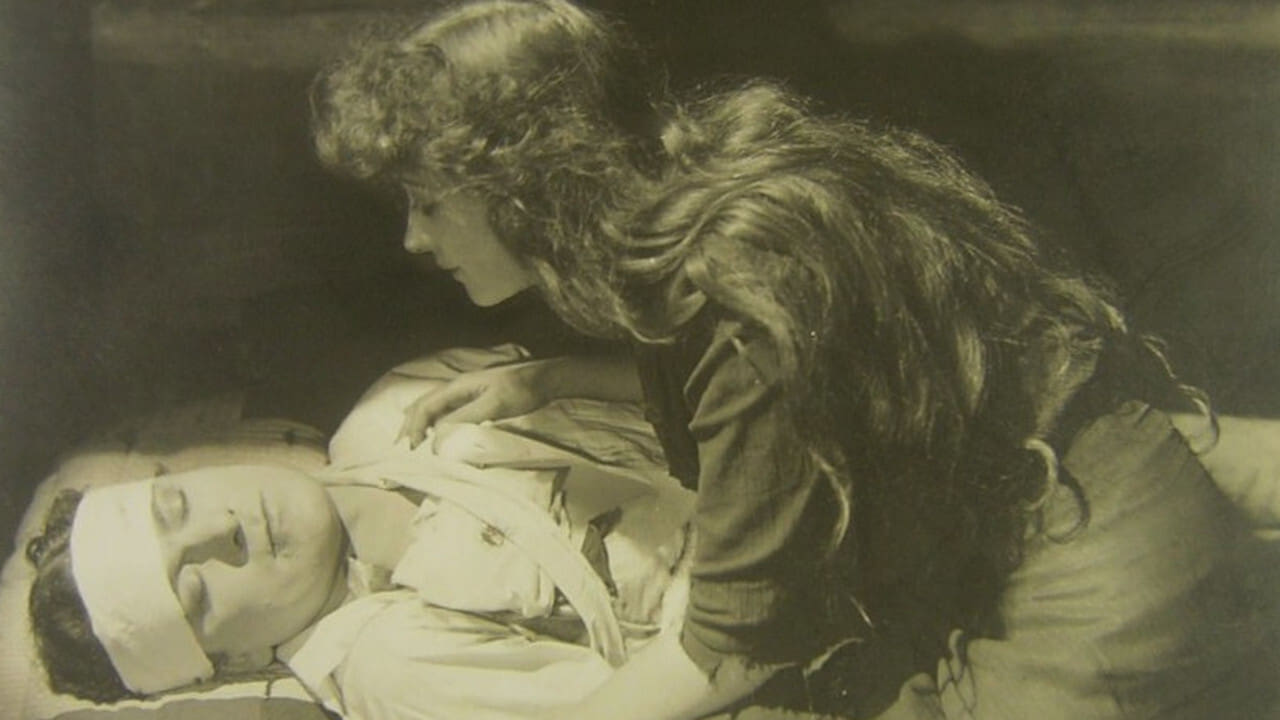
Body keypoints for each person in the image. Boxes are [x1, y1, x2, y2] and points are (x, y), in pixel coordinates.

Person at [310, 1, 1276, 718]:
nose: (414, 239)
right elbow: (805, 395)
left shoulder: (733, 289)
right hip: (1069, 512)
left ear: (523, 182)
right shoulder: (706, 200)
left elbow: (732, 648)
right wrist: (551, 379)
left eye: (428, 202)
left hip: (1094, 585)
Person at [26, 358, 694, 719]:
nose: (222, 530)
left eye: (178, 506)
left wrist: (554, 378)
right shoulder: (394, 664)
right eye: (199, 592)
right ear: (235, 662)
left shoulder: (394, 407)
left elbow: (685, 385)